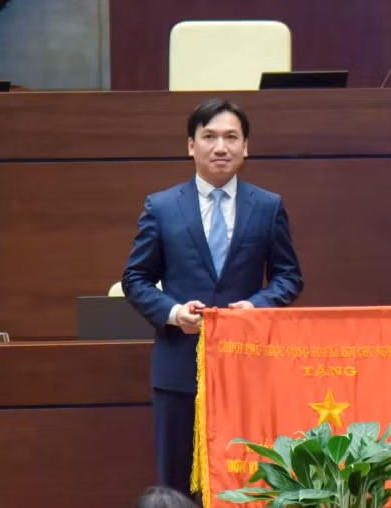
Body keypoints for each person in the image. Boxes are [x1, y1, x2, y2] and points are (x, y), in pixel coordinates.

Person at [122, 98, 303, 496]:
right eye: (209, 136)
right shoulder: (162, 206)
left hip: (247, 368)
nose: (220, 146)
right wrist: (172, 312)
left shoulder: (268, 206)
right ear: (191, 145)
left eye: (231, 137)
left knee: (247, 481)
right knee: (178, 482)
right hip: (179, 368)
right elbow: (135, 279)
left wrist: (255, 306)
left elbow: (289, 277)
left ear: (246, 147)